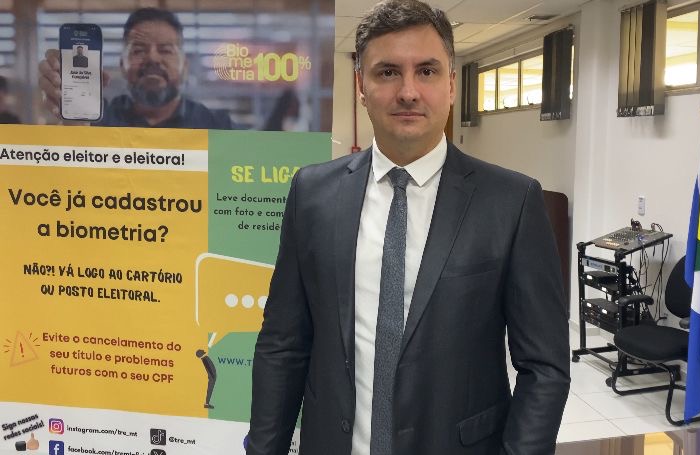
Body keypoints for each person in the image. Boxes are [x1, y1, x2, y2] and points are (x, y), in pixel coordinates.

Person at [247, 0, 570, 454]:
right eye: (387, 72)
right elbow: (283, 344)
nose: (408, 91)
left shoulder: (511, 202)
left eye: (427, 71)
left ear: (451, 84)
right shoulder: (313, 194)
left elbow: (545, 368)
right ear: (361, 86)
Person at [38, 8, 232, 129]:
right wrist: (72, 119)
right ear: (122, 65)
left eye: (165, 50)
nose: (153, 58)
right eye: (139, 50)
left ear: (185, 66)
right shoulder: (97, 120)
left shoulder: (218, 126)